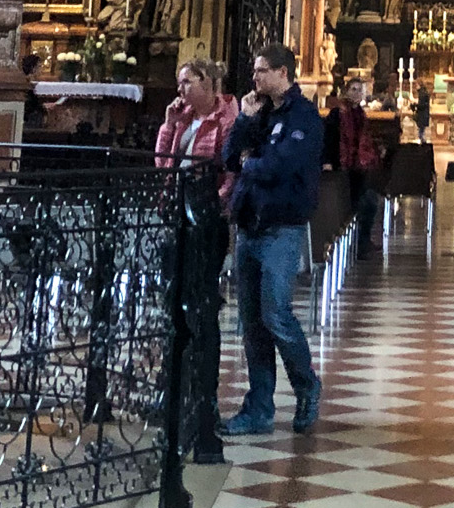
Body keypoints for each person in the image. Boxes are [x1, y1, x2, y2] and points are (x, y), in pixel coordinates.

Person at [221, 43, 324, 436]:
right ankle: (259, 407)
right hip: (249, 222)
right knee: (252, 323)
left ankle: (306, 385)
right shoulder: (257, 112)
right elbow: (229, 157)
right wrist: (244, 122)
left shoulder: (304, 116)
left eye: (262, 70)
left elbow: (279, 167)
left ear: (283, 72)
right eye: (254, 70)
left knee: (276, 314)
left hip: (282, 226)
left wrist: (250, 162)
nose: (255, 77)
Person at [155, 57, 237, 177]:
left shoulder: (225, 119)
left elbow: (230, 172)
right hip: (176, 186)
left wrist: (220, 191)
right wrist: (169, 124)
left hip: (205, 188)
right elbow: (161, 163)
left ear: (207, 84)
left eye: (186, 82)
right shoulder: (183, 116)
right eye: (179, 84)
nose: (179, 89)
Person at [336, 71, 383, 245]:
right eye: (353, 90)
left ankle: (362, 241)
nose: (357, 94)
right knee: (360, 203)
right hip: (345, 166)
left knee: (370, 201)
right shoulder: (340, 113)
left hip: (359, 166)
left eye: (360, 90)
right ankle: (359, 243)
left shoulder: (360, 115)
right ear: (346, 91)